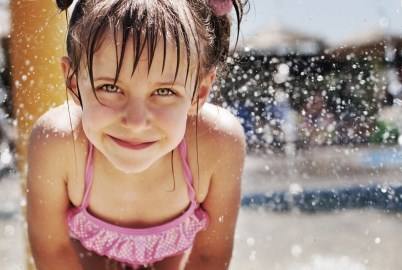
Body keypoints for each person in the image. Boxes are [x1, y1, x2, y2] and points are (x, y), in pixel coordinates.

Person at [26, 0, 247, 269]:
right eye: (110, 87)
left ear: (199, 92)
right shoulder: (58, 141)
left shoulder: (217, 142)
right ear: (73, 82)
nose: (136, 122)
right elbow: (53, 251)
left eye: (165, 91)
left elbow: (209, 256)